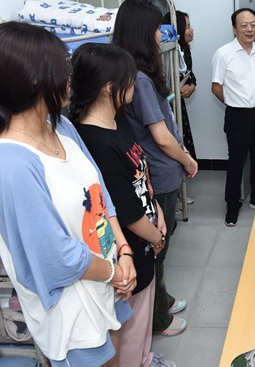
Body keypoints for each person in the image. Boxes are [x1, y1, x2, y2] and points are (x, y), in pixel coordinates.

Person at [0, 21, 136, 366]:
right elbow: (55, 257)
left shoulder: (61, 126)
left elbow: (100, 193)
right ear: (34, 79)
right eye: (63, 68)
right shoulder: (11, 164)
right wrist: (114, 272)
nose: (70, 78)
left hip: (106, 282)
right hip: (72, 310)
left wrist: (124, 251)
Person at [69, 43, 176, 367]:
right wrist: (156, 236)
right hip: (129, 244)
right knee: (130, 323)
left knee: (143, 315)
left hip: (146, 236)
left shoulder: (118, 120)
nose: (134, 84)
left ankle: (144, 358)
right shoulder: (93, 140)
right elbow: (124, 210)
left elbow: (140, 173)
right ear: (108, 87)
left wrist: (157, 211)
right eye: (129, 79)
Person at [113, 0, 197, 336]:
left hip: (156, 170)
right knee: (157, 247)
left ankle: (162, 299)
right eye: (157, 28)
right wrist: (187, 159)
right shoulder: (141, 80)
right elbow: (161, 137)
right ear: (142, 32)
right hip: (158, 173)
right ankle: (158, 318)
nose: (163, 35)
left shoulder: (134, 74)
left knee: (159, 243)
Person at [212, 8, 255, 226]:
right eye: (244, 25)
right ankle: (232, 205)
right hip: (238, 116)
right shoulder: (223, 54)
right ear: (234, 28)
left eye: (253, 25)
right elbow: (216, 87)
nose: (249, 29)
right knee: (236, 161)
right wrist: (236, 103)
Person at [163, 10, 197, 161]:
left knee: (183, 138)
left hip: (178, 104)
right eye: (188, 26)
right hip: (167, 104)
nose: (192, 30)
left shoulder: (184, 49)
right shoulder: (166, 52)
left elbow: (190, 73)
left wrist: (191, 86)